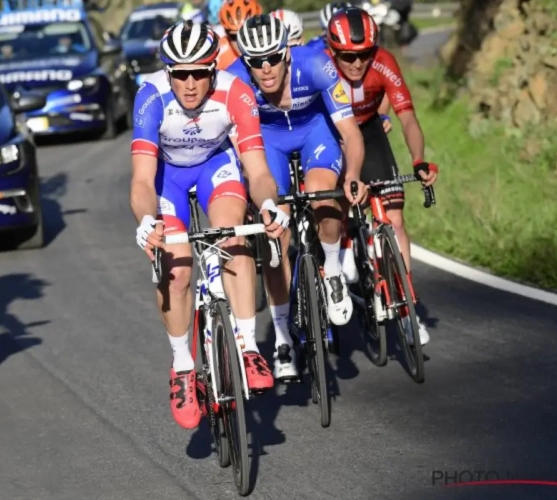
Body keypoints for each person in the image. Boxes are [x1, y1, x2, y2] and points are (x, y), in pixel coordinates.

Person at [130, 21, 289, 429]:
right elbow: (143, 181)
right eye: (179, 73)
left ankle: (248, 345)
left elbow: (257, 171)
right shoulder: (151, 98)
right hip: (168, 177)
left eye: (198, 72)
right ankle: (183, 366)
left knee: (233, 236)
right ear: (168, 73)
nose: (188, 83)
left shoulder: (236, 93)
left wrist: (269, 203)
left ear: (213, 70)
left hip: (216, 167)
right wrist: (147, 220)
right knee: (178, 269)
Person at [226, 14, 367, 381]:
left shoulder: (315, 64)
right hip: (268, 141)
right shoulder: (236, 81)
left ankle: (333, 269)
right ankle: (283, 338)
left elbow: (349, 132)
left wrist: (352, 174)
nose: (266, 68)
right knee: (276, 231)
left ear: (286, 53)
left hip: (314, 132)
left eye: (272, 57)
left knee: (323, 197)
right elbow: (234, 151)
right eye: (256, 61)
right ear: (246, 61)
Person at [326, 7, 437, 345]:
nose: (357, 63)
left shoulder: (384, 61)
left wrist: (419, 160)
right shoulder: (322, 66)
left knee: (394, 218)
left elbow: (406, 117)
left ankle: (406, 309)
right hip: (330, 133)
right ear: (332, 50)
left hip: (370, 130)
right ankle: (339, 252)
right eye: (348, 56)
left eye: (364, 55)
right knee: (334, 204)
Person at [214, 0, 262, 70]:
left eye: (247, 35)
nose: (241, 43)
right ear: (226, 34)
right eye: (234, 37)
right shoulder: (217, 57)